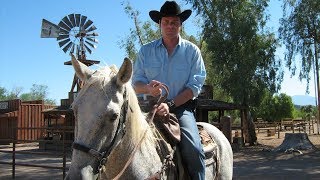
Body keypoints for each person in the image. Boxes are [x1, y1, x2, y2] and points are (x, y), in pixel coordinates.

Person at [132, 1, 206, 179]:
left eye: (174, 22)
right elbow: (135, 83)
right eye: (166, 22)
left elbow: (194, 87)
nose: (170, 26)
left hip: (181, 108)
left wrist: (170, 105)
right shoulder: (145, 51)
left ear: (181, 24)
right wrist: (148, 89)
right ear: (160, 24)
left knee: (194, 149)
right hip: (147, 108)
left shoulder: (192, 52)